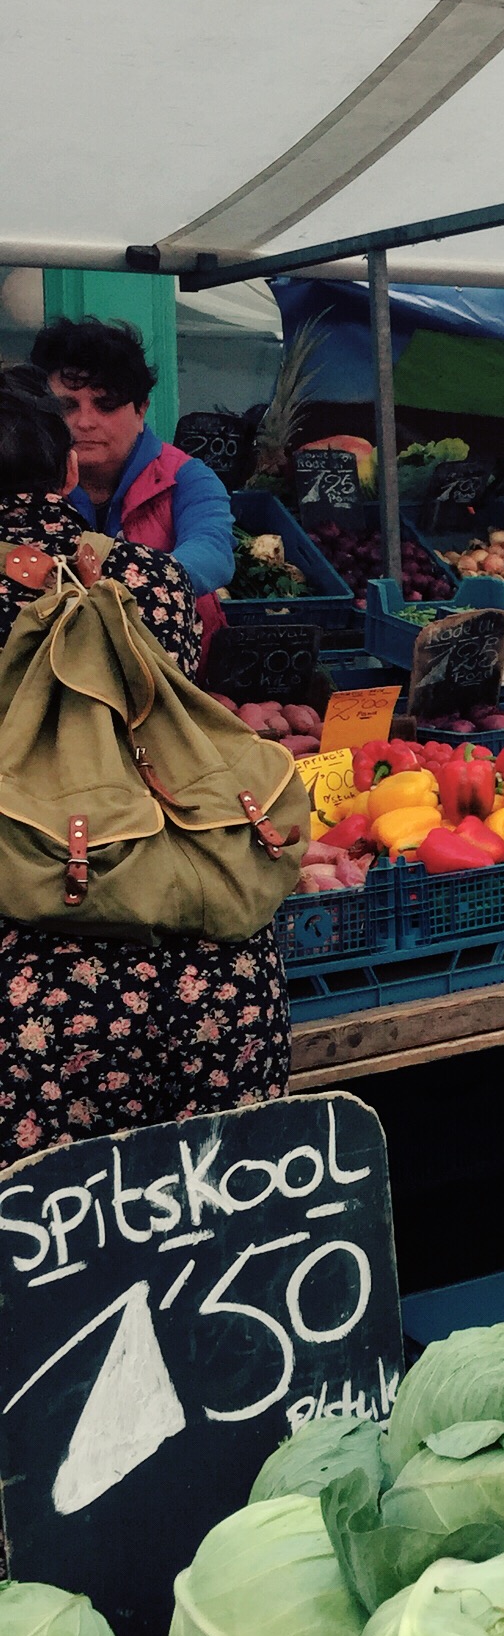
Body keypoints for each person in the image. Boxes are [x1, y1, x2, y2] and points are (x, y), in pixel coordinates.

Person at [0, 364, 288, 1172]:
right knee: (216, 1226)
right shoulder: (154, 581)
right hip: (218, 981)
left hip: (35, 997)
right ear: (67, 471)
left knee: (58, 1239)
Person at [29, 315, 233, 625]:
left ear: (141, 411)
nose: (85, 422)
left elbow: (213, 553)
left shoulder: (189, 477)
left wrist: (109, 585)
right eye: (66, 406)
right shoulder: (26, 480)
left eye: (106, 404)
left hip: (173, 655)